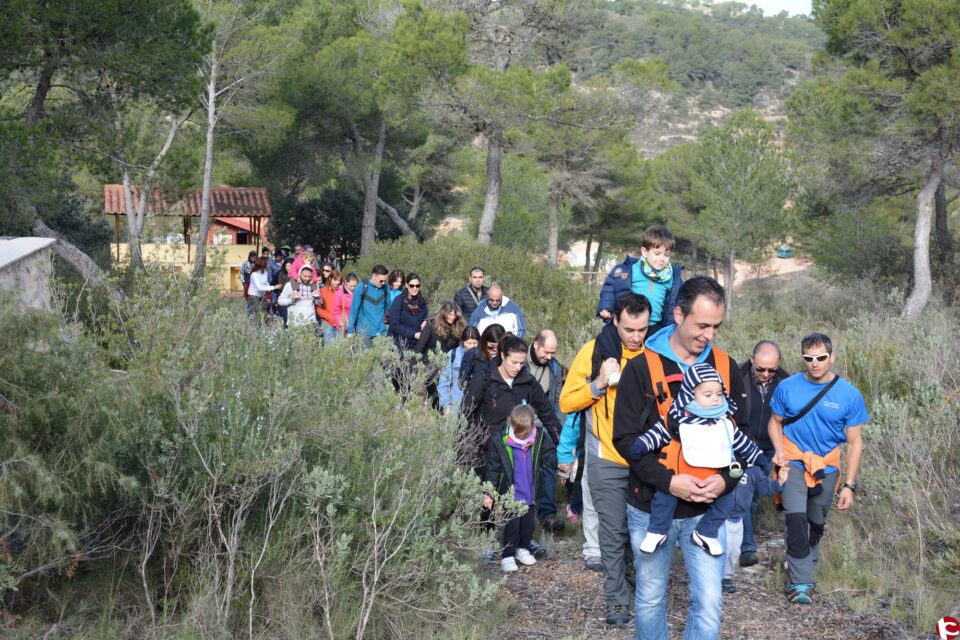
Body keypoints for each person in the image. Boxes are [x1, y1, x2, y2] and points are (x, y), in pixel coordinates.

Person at [612, 276, 747, 639]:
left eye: (717, 326)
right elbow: (625, 440)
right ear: (677, 314)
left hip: (707, 509)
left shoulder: (726, 368)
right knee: (651, 598)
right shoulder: (641, 368)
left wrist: (725, 480)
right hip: (650, 506)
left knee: (709, 600)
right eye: (702, 325)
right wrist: (670, 482)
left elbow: (743, 440)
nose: (710, 335)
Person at [559, 293, 651, 626]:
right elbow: (567, 402)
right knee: (613, 532)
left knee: (641, 534)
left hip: (646, 460)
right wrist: (598, 383)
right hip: (606, 458)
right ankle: (617, 600)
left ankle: (641, 590)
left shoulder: (656, 353)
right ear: (615, 321)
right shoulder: (594, 351)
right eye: (629, 329)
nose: (636, 336)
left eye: (642, 329)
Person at [628, 363, 769, 557]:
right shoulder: (677, 418)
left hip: (713, 478)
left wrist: (759, 458)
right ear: (691, 394)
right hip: (680, 475)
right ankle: (656, 531)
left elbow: (742, 444)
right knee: (664, 497)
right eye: (708, 395)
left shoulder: (725, 422)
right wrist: (641, 445)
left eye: (719, 394)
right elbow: (657, 434)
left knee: (727, 502)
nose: (715, 400)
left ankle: (705, 532)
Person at [768, 333, 868, 605]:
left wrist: (849, 485)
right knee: (795, 518)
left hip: (827, 465)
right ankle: (801, 583)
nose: (815, 363)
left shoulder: (849, 394)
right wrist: (779, 452)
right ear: (803, 358)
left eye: (821, 358)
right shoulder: (787, 387)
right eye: (809, 358)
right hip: (794, 461)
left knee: (816, 521)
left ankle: (804, 563)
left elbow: (855, 441)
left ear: (831, 357)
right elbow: (775, 422)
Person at [484, 404, 557, 573]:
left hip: (530, 491)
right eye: (519, 433)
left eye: (525, 433)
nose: (522, 436)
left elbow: (549, 456)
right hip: (510, 494)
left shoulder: (539, 438)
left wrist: (560, 462)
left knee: (527, 525)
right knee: (512, 526)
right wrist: (488, 492)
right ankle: (508, 555)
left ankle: (522, 548)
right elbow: (493, 469)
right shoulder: (500, 441)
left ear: (532, 425)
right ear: (511, 424)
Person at [736, 340, 789, 567]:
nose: (766, 374)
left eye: (771, 369)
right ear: (751, 359)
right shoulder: (736, 377)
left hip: (771, 448)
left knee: (755, 495)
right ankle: (747, 547)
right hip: (744, 446)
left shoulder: (786, 383)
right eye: (760, 368)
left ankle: (741, 537)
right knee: (745, 494)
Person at [596, 225, 683, 336]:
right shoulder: (631, 269)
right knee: (606, 339)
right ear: (644, 252)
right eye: (657, 254)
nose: (662, 259)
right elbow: (610, 287)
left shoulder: (672, 278)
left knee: (654, 352)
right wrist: (606, 307)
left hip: (654, 327)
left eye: (666, 255)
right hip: (628, 323)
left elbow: (679, 301)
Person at [722, 464, 790, 594]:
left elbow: (765, 488)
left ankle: (726, 578)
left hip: (738, 517)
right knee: (721, 547)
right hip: (720, 516)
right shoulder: (722, 463)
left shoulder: (753, 469)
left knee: (734, 551)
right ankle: (712, 578)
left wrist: (780, 481)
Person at [525, 329, 567, 533]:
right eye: (546, 353)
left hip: (545, 422)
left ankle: (547, 515)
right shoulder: (519, 361)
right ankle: (519, 514)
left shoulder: (555, 368)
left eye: (553, 353)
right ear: (536, 345)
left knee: (548, 463)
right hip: (520, 423)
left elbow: (558, 403)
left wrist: (559, 431)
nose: (549, 357)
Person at [438, 326, 480, 415]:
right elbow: (443, 383)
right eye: (469, 343)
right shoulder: (452, 355)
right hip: (455, 407)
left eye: (475, 343)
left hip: (475, 408)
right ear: (462, 342)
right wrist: (446, 406)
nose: (472, 347)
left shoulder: (482, 357)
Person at [346, 265, 389, 343]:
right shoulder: (361, 288)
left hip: (382, 333)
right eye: (381, 280)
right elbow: (354, 310)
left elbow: (387, 307)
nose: (383, 283)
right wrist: (350, 331)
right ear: (373, 276)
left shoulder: (386, 288)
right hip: (365, 333)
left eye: (385, 281)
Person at [387, 273, 428, 353]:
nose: (415, 288)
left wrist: (425, 323)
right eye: (412, 285)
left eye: (417, 285)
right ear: (406, 285)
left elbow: (425, 318)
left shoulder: (422, 302)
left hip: (416, 344)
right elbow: (394, 325)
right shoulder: (399, 300)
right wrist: (413, 334)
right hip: (399, 343)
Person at [317, 269, 343, 343]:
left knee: (340, 346)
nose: (337, 282)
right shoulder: (322, 290)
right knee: (329, 347)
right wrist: (328, 316)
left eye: (339, 280)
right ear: (330, 279)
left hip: (339, 322)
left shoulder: (342, 291)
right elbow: (318, 308)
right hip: (327, 322)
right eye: (335, 280)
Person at [246, 257, 273, 322]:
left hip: (262, 295)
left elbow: (266, 283)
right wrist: (273, 287)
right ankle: (255, 329)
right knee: (259, 313)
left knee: (265, 312)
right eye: (266, 264)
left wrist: (271, 289)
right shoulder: (254, 274)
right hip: (253, 296)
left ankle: (264, 329)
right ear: (262, 265)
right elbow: (259, 287)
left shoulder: (265, 272)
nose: (268, 265)